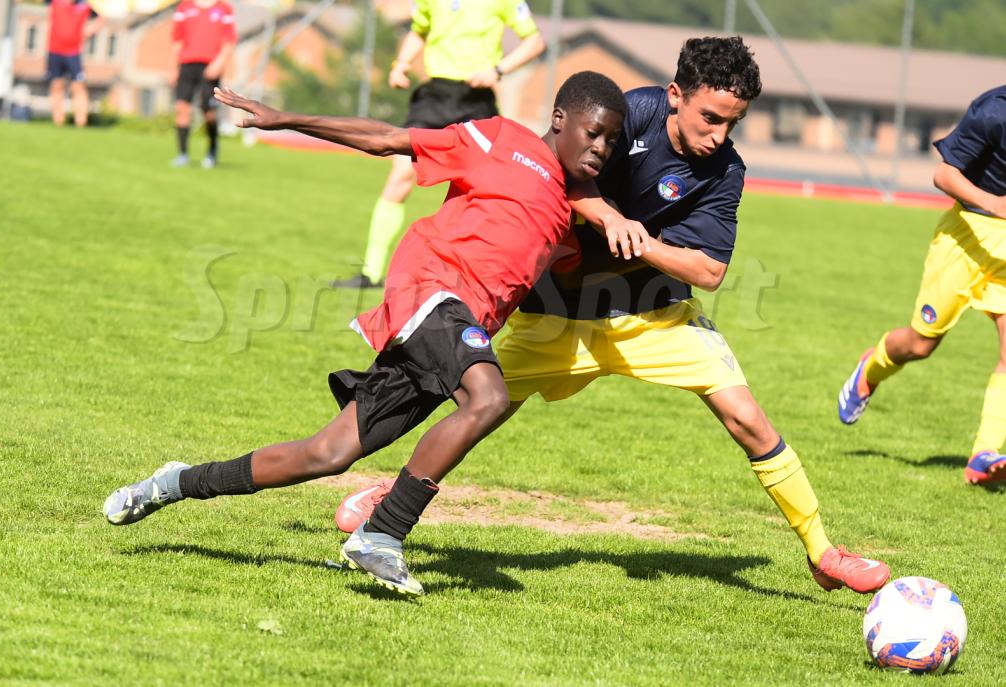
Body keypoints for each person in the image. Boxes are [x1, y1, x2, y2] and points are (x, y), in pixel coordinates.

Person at [337, 36, 892, 595]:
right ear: (675, 95)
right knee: (473, 401)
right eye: (710, 118)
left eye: (733, 123)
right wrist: (610, 218)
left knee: (747, 418)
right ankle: (389, 499)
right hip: (559, 314)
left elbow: (708, 270)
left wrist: (640, 241)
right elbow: (556, 174)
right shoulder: (631, 114)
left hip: (655, 317)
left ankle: (822, 553)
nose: (719, 135)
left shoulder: (726, 170)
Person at [101, 72, 652, 597]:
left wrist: (645, 253)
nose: (601, 147)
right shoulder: (499, 138)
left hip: (453, 330)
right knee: (488, 398)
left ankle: (173, 483)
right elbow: (388, 138)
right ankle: (383, 533)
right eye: (593, 132)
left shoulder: (568, 209)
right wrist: (285, 118)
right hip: (432, 290)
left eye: (611, 139)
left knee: (327, 453)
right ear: (559, 119)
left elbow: (563, 275)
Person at [838, 85, 1006, 487]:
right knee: (920, 344)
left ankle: (983, 456)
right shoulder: (994, 111)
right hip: (966, 239)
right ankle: (871, 368)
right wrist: (996, 204)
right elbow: (943, 174)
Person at [332, 0, 546, 289]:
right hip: (434, 97)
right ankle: (370, 272)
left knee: (484, 188)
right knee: (400, 174)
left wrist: (498, 70)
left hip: (475, 99)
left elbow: (534, 42)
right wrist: (401, 64)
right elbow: (418, 31)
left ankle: (477, 275)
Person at [170, 0, 237, 168]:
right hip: (186, 65)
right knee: (182, 108)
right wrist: (173, 67)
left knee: (209, 112)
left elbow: (229, 41)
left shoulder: (224, 8)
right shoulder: (184, 7)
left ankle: (211, 153)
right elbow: (177, 40)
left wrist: (219, 63)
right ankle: (183, 154)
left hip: (210, 66)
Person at [45, 0, 103, 127]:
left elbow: (101, 16)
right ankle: (58, 121)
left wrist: (91, 29)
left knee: (78, 86)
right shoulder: (55, 2)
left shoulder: (85, 5)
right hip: (54, 50)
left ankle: (80, 122)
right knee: (56, 85)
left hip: (73, 52)